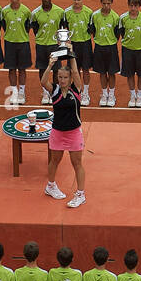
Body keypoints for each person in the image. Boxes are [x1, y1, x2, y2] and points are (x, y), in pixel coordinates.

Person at [43, 53, 87, 210]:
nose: (62, 80)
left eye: (65, 77)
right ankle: (50, 186)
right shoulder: (54, 90)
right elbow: (43, 81)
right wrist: (50, 65)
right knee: (55, 161)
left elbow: (76, 72)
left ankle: (80, 195)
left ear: (70, 79)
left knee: (77, 163)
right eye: (60, 77)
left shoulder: (76, 90)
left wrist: (71, 53)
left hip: (74, 133)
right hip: (58, 132)